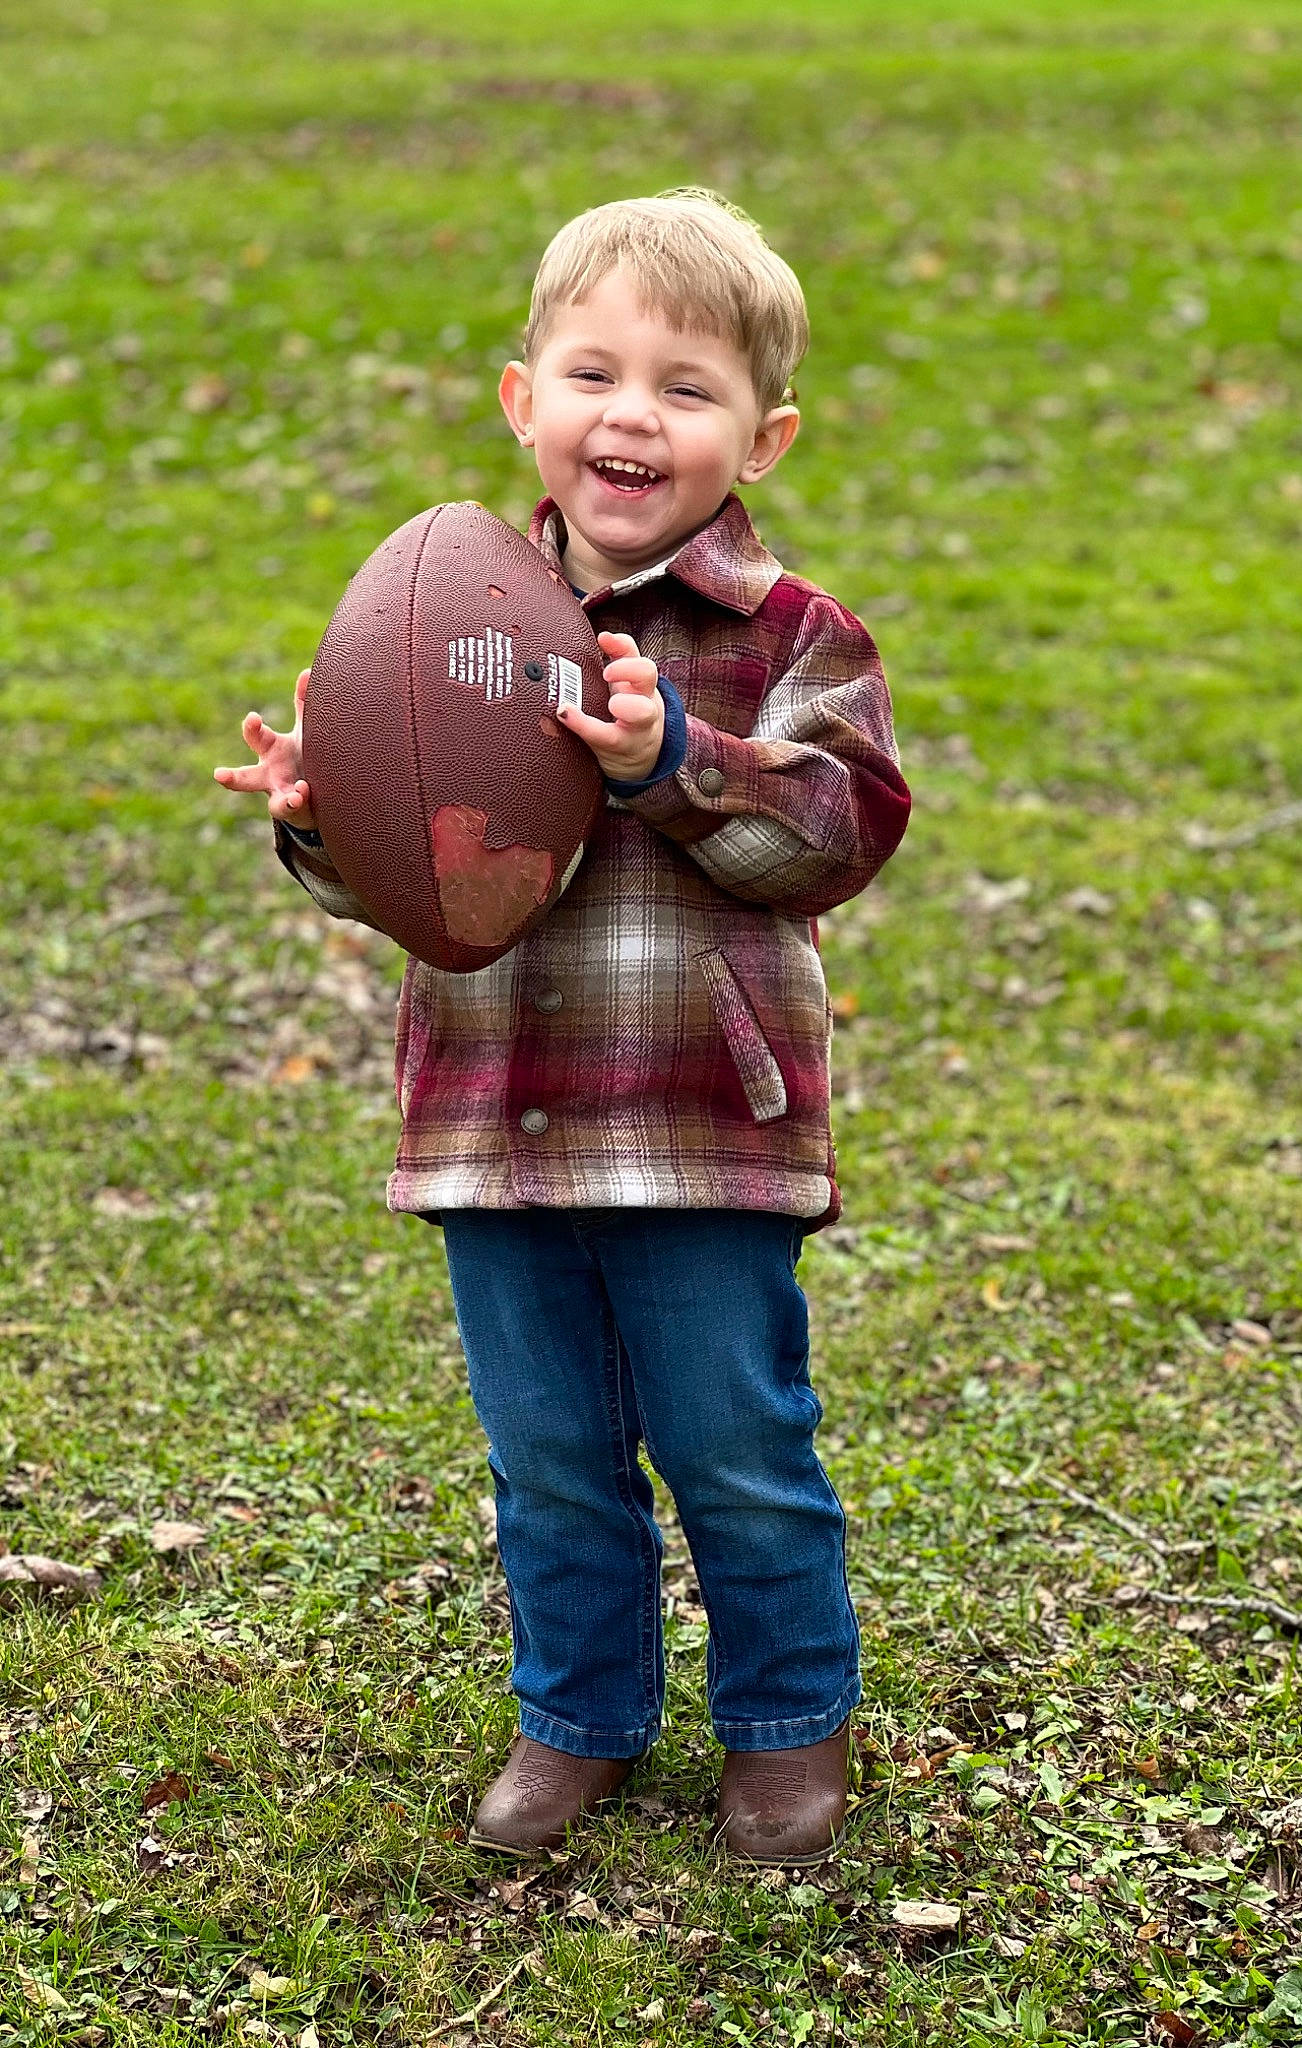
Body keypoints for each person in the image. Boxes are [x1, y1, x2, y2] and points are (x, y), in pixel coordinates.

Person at [214, 189, 910, 1866]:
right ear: (525, 399)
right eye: (595, 371)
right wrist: (323, 815)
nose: (634, 414)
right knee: (548, 1460)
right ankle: (580, 1719)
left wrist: (671, 757)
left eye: (686, 386)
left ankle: (785, 1724)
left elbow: (839, 830)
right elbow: (404, 887)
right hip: (492, 1116)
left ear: (764, 434)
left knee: (735, 1449)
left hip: (694, 1123)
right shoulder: (434, 627)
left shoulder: (788, 636)